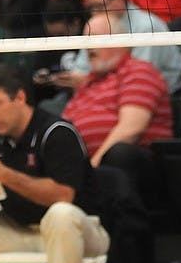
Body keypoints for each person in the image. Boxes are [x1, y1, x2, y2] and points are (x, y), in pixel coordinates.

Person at [0, 64, 108, 263]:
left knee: (60, 214)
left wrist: (3, 175)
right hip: (19, 230)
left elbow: (62, 196)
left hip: (78, 232)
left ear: (20, 97)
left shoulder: (57, 132)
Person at [62, 15, 172, 202]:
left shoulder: (138, 71)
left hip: (135, 169)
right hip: (86, 170)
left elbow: (131, 128)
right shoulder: (88, 83)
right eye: (85, 40)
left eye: (94, 38)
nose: (88, 48)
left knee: (120, 152)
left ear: (119, 40)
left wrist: (92, 168)